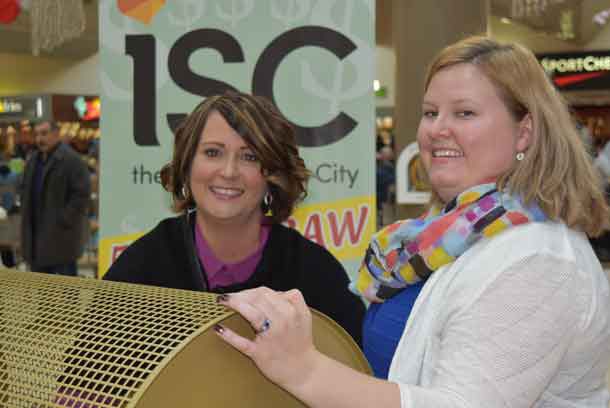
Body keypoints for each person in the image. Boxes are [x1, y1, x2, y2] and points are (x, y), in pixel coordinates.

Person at [214, 36, 610, 407]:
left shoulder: (537, 260)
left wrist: (305, 371)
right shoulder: (449, 234)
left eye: (464, 113)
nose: (438, 130)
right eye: (430, 113)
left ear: (524, 133)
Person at [103, 91, 365, 345]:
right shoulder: (143, 266)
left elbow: (357, 374)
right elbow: (83, 381)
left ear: (273, 175)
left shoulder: (315, 273)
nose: (228, 172)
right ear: (187, 163)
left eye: (249, 156)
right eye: (212, 152)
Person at [20, 120, 91, 276]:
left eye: (44, 133)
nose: (40, 139)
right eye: (37, 134)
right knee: (43, 292)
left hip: (61, 239)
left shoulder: (72, 160)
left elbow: (82, 194)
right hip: (36, 239)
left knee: (67, 292)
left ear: (56, 134)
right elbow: (25, 190)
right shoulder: (33, 160)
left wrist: (63, 219)